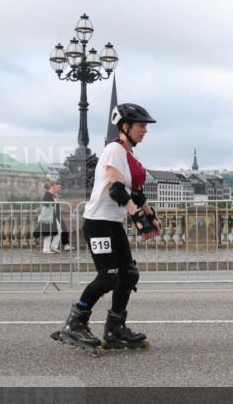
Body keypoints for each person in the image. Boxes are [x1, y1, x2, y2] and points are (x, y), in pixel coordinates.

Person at [52, 103, 161, 355]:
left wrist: (150, 215)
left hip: (112, 222)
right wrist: (137, 220)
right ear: (126, 126)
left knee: (129, 273)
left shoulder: (128, 155)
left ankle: (115, 329)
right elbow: (116, 189)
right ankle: (74, 323)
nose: (145, 131)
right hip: (98, 222)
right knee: (108, 275)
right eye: (141, 126)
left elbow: (134, 192)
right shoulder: (114, 149)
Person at [37, 180, 62, 253]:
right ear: (52, 186)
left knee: (58, 229)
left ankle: (53, 246)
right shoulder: (48, 194)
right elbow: (46, 205)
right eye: (55, 186)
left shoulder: (51, 195)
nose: (56, 187)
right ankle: (46, 248)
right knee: (49, 231)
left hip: (52, 216)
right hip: (48, 217)